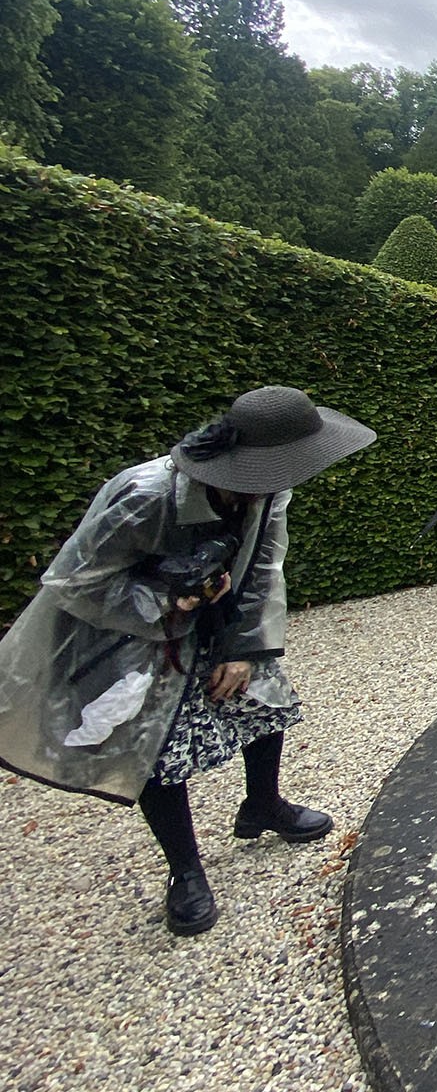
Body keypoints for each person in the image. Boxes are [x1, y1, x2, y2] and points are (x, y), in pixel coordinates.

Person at [0, 385, 376, 936]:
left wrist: (244, 648)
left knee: (263, 700)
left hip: (215, 617)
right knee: (154, 741)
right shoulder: (145, 495)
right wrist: (169, 604)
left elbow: (264, 564)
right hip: (128, 631)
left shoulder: (269, 490)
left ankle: (263, 804)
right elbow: (74, 583)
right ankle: (185, 871)